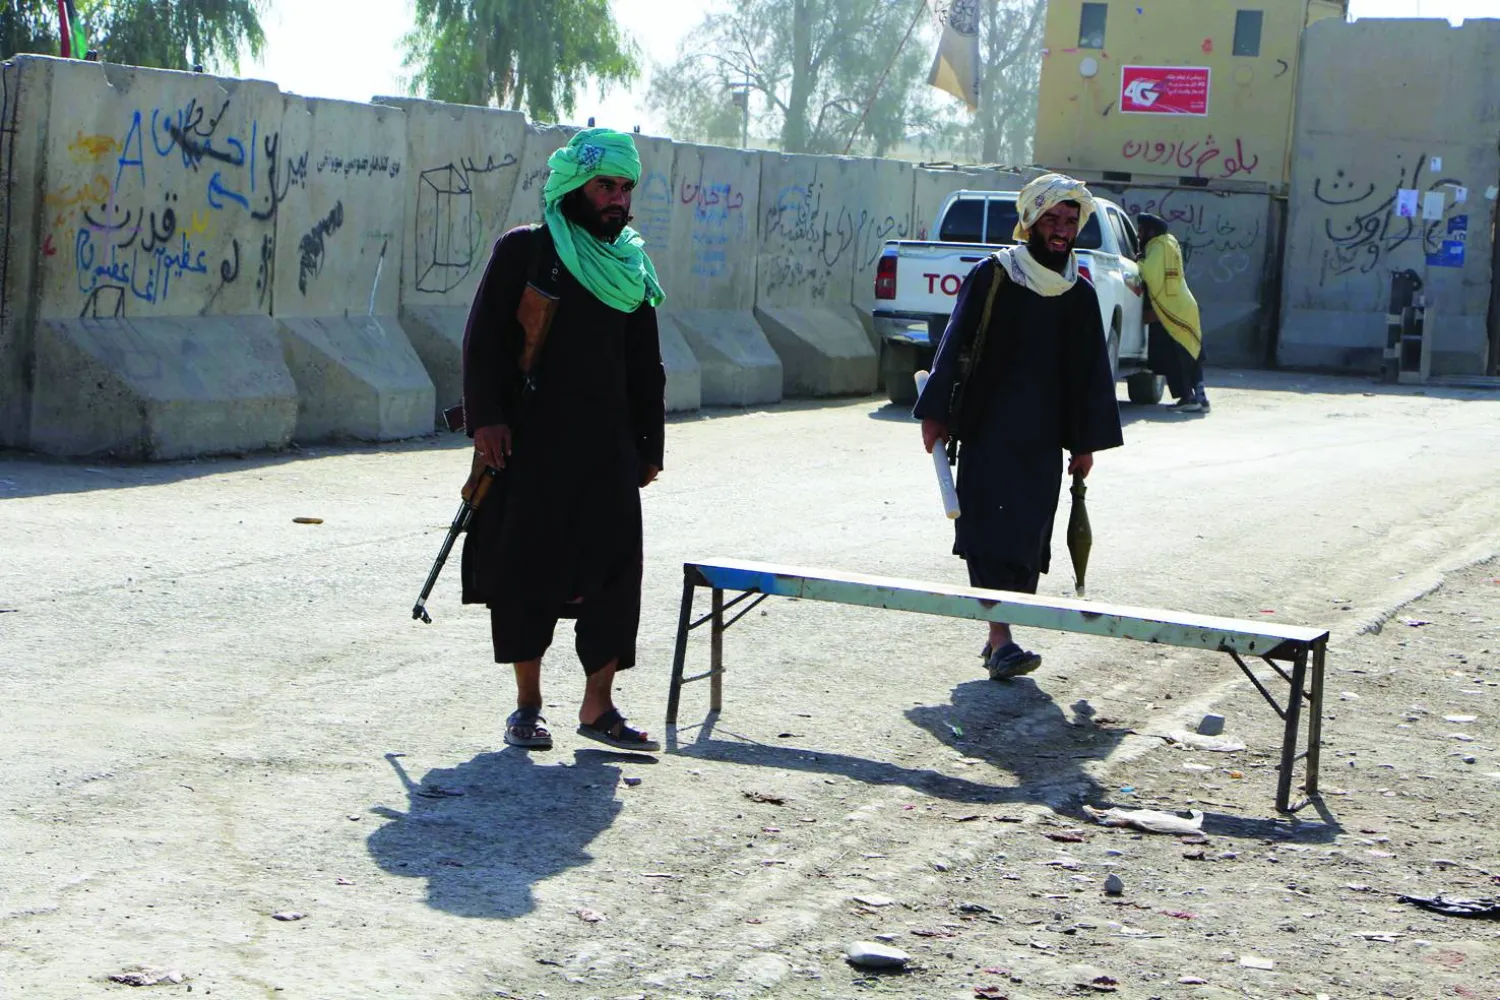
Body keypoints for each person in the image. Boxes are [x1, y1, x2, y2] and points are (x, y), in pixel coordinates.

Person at [458, 128, 667, 753]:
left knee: (614, 576)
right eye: (606, 185)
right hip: (532, 444)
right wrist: (487, 420)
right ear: (575, 186)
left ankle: (599, 706)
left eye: (626, 188)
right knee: (528, 574)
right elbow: (481, 342)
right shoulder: (526, 252)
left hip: (606, 449)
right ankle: (528, 707)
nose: (617, 200)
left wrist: (649, 447)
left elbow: (645, 365)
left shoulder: (630, 267)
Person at [913, 173, 1124, 681]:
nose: (1061, 229)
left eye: (1070, 220)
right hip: (988, 429)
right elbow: (957, 343)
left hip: (1042, 437)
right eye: (1052, 218)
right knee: (987, 532)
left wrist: (1085, 443)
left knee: (1028, 537)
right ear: (1029, 220)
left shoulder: (1078, 290)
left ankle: (999, 634)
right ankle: (1002, 638)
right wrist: (937, 415)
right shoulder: (995, 275)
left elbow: (1088, 373)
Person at [1136, 212, 1209, 413]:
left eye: (1141, 231)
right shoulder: (1169, 242)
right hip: (1183, 306)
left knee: (1173, 357)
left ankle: (1188, 398)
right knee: (1191, 352)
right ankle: (1200, 399)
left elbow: (1150, 274)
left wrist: (1139, 262)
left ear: (1151, 231)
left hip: (1171, 310)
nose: (1139, 235)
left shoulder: (1157, 246)